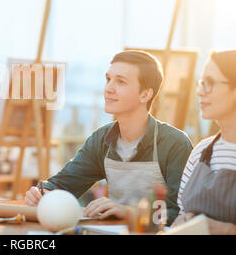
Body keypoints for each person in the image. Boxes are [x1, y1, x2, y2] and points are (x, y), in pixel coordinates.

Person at [25, 50, 193, 226]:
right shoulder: (101, 140)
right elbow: (65, 183)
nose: (109, 88)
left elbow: (181, 212)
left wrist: (129, 212)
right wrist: (42, 193)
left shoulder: (175, 144)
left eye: (120, 81)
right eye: (108, 79)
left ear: (145, 94)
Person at [172, 50, 235, 234]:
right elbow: (181, 213)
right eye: (201, 83)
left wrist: (226, 229)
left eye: (210, 83)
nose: (200, 92)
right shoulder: (201, 151)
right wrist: (182, 222)